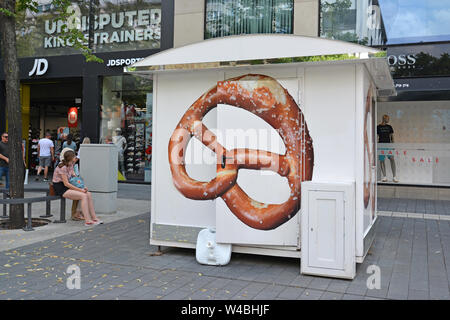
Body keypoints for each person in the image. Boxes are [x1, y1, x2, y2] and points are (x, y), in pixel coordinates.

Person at [52, 149, 102, 226]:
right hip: (60, 187)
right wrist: (81, 190)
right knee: (83, 196)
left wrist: (83, 186)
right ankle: (88, 220)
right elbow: (66, 184)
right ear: (69, 159)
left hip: (68, 185)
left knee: (88, 194)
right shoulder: (62, 167)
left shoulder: (71, 165)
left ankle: (94, 218)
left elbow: (75, 178)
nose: (75, 159)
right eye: (73, 159)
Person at [377, 114, 398, 183]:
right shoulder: (378, 127)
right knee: (382, 160)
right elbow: (377, 136)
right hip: (381, 145)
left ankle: (394, 176)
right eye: (387, 119)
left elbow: (392, 136)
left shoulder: (389, 127)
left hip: (388, 145)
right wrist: (377, 146)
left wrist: (393, 145)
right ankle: (384, 176)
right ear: (384, 119)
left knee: (392, 159)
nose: (388, 120)